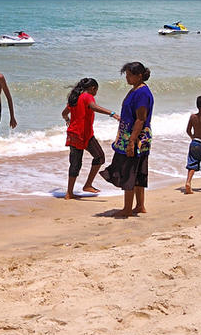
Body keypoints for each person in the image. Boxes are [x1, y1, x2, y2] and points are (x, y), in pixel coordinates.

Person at [100, 62, 154, 218]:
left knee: (129, 171)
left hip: (135, 138)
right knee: (137, 171)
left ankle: (127, 209)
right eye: (126, 75)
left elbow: (140, 119)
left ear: (139, 76)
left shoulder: (142, 93)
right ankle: (139, 206)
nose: (127, 78)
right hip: (132, 136)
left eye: (129, 75)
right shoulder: (135, 90)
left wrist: (131, 141)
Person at [61, 78, 119, 199]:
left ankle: (69, 193)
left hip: (73, 134)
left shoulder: (75, 98)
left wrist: (68, 121)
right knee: (100, 157)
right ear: (93, 88)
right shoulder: (87, 96)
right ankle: (87, 184)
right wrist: (112, 114)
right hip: (84, 135)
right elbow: (93, 107)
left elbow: (64, 113)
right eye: (96, 90)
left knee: (75, 163)